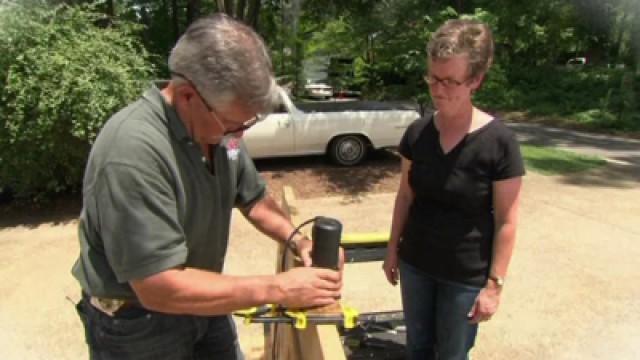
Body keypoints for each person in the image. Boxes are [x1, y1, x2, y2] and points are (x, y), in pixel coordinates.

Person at [72, 14, 342, 360]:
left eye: (247, 124)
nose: (239, 136)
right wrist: (278, 288)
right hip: (138, 324)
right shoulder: (132, 154)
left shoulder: (218, 133)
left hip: (202, 299)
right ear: (187, 96)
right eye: (232, 124)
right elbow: (158, 287)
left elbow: (254, 199)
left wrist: (298, 241)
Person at [383, 19, 524, 360]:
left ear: (476, 80)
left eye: (450, 81)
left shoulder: (499, 143)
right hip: (416, 263)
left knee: (451, 354)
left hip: (464, 277)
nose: (437, 89)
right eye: (433, 77)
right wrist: (392, 249)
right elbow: (405, 196)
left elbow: (507, 221)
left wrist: (494, 285)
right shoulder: (417, 134)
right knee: (417, 347)